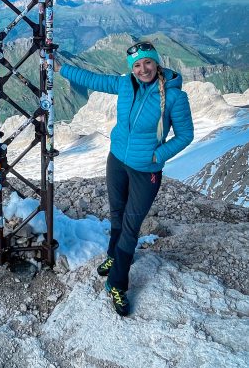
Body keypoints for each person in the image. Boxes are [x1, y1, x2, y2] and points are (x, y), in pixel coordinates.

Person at [54, 41, 194, 317]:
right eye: (137, 65)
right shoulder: (125, 85)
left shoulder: (176, 98)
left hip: (146, 171)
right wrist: (61, 69)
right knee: (117, 215)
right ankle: (112, 256)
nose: (143, 69)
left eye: (148, 63)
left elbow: (185, 135)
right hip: (116, 160)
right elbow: (93, 79)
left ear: (157, 63)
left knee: (130, 227)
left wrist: (157, 155)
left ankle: (117, 284)